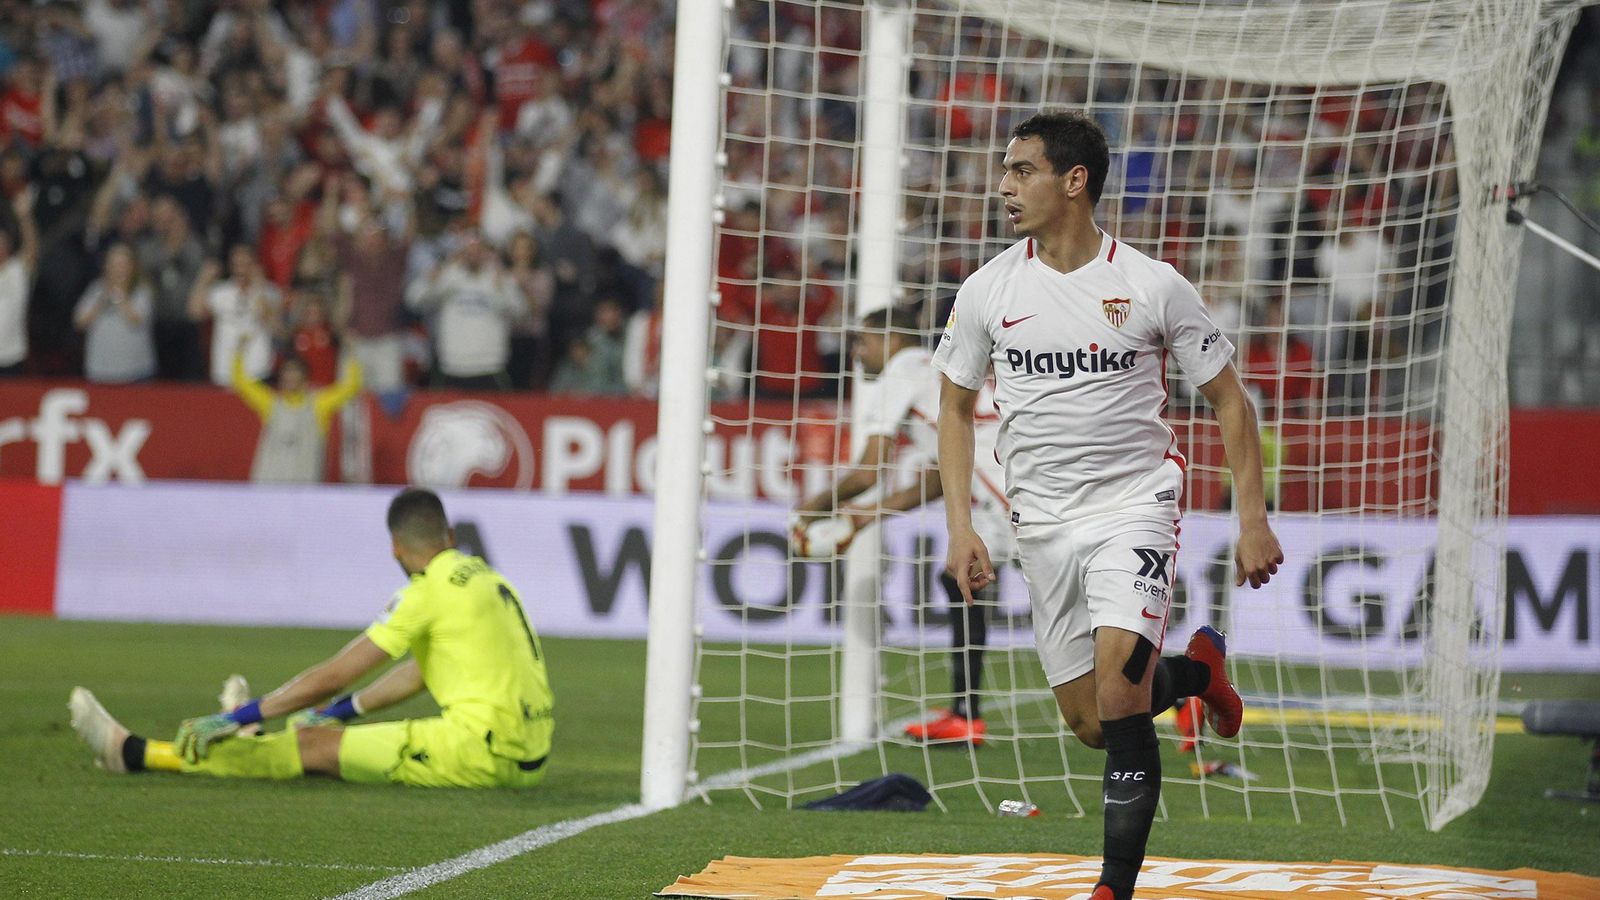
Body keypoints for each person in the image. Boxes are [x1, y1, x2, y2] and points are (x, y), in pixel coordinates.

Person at [933, 111, 1283, 900]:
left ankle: (1112, 889)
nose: (1004, 187)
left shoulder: (1153, 285)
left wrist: (1251, 520)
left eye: (1022, 171)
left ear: (1074, 181)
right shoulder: (988, 288)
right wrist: (960, 527)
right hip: (1042, 525)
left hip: (1135, 506)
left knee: (1121, 693)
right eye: (1005, 171)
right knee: (1093, 723)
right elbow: (953, 409)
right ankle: (1198, 675)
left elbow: (1230, 401)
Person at [68, 487, 555, 789]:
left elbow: (337, 673)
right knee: (322, 731)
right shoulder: (489, 578)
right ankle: (255, 736)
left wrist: (236, 714)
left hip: (484, 754)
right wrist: (338, 711)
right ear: (448, 535)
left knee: (311, 749)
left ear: (396, 547)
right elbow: (421, 672)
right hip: (529, 748)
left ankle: (136, 754)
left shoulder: (426, 592)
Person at [793, 307, 1016, 745]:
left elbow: (869, 470)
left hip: (1013, 493)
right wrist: (865, 517)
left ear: (892, 340)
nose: (856, 353)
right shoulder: (933, 373)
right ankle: (965, 714)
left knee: (1080, 601)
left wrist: (811, 509)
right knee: (960, 579)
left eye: (863, 341)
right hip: (1003, 488)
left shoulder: (902, 370)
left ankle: (1180, 700)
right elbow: (939, 480)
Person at [231, 344, 362, 484]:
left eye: (295, 372)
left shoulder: (319, 404)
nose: (290, 377)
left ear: (305, 378)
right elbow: (241, 382)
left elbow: (351, 387)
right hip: (269, 484)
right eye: (287, 373)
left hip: (305, 487)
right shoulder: (270, 403)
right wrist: (240, 351)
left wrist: (352, 354)